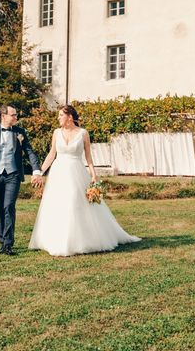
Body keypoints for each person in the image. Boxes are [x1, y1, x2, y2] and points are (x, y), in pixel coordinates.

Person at [29, 105, 140, 257]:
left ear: (69, 116)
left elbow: (88, 157)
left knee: (75, 201)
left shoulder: (83, 133)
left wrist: (94, 175)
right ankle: (57, 240)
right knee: (58, 204)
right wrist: (39, 172)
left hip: (76, 171)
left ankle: (79, 240)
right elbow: (51, 154)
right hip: (58, 172)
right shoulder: (56, 132)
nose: (58, 118)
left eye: (61, 115)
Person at [0, 104, 43, 255]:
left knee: (8, 207)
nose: (16, 117)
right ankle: (2, 241)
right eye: (13, 115)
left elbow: (29, 151)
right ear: (3, 116)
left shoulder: (20, 133)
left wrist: (36, 170)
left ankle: (8, 244)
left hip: (13, 175)